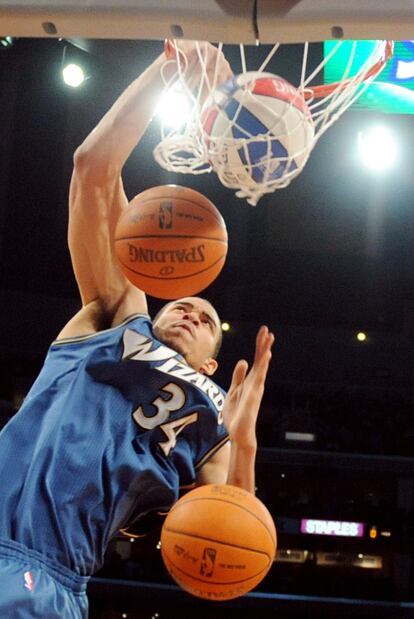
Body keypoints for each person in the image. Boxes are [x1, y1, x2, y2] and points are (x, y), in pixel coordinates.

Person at [0, 41, 274, 618]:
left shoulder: (217, 419)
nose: (191, 312)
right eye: (183, 304)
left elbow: (235, 530)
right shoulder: (118, 315)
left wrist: (244, 443)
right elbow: (92, 167)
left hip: (47, 576)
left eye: (206, 320)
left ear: (209, 366)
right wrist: (169, 65)